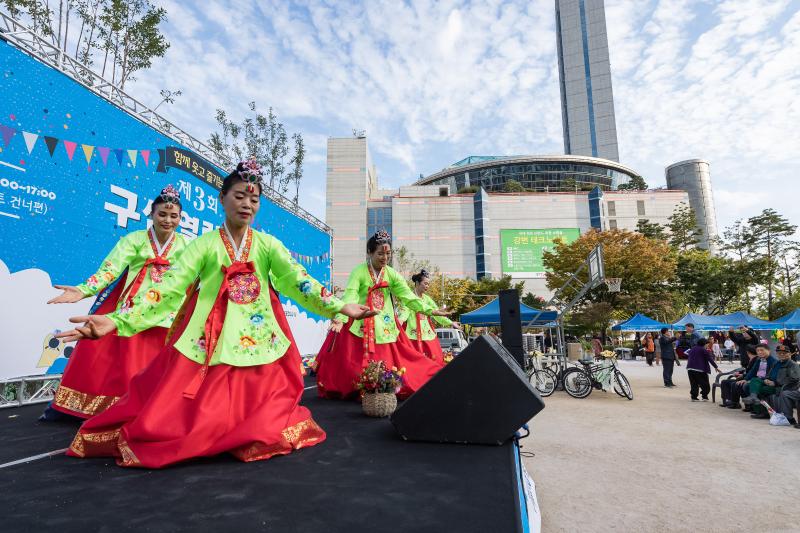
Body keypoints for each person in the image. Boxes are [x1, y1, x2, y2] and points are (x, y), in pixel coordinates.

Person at [55, 160, 376, 468]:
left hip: (257, 338)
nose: (247, 203)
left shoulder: (267, 246)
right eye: (239, 196)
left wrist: (340, 305)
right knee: (179, 419)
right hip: (209, 338)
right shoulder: (203, 246)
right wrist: (115, 320)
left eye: (254, 198)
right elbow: (167, 288)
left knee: (264, 412)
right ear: (223, 198)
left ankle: (242, 434)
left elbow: (298, 280)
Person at [43, 185, 187, 420]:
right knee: (122, 365)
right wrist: (83, 290)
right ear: (151, 214)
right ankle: (118, 412)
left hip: (165, 312)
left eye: (174, 216)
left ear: (181, 218)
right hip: (132, 309)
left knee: (158, 365)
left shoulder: (186, 246)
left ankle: (152, 413)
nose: (168, 220)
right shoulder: (135, 239)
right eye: (162, 214)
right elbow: (110, 269)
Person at [314, 230, 449, 399]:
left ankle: (384, 387)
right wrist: (341, 318)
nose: (385, 258)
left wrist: (431, 310)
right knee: (350, 364)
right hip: (360, 320)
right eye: (380, 253)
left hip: (383, 322)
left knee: (391, 363)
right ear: (369, 252)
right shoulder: (359, 271)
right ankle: (360, 388)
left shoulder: (391, 274)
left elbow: (407, 296)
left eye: (388, 254)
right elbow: (351, 295)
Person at [397, 269, 461, 363]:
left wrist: (451, 322)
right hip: (413, 336)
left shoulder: (427, 299)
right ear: (418, 283)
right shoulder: (409, 299)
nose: (427, 286)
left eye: (428, 284)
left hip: (428, 336)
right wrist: (398, 324)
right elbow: (403, 315)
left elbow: (437, 314)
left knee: (436, 361)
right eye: (425, 283)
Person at [747, 344, 800, 420]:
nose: (781, 354)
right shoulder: (776, 363)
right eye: (779, 353)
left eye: (784, 353)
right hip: (771, 384)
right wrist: (767, 379)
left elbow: (794, 379)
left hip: (781, 387)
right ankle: (754, 397)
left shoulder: (793, 364)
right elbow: (769, 374)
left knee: (758, 389)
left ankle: (762, 410)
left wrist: (775, 383)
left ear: (789, 354)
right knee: (755, 380)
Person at [739, 344, 777, 413]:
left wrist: (757, 380)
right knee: (745, 385)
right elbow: (752, 371)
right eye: (758, 350)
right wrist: (745, 379)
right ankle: (754, 407)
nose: (759, 352)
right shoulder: (759, 360)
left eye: (762, 350)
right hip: (757, 380)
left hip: (766, 381)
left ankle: (760, 409)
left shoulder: (773, 361)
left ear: (768, 350)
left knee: (751, 385)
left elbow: (771, 376)